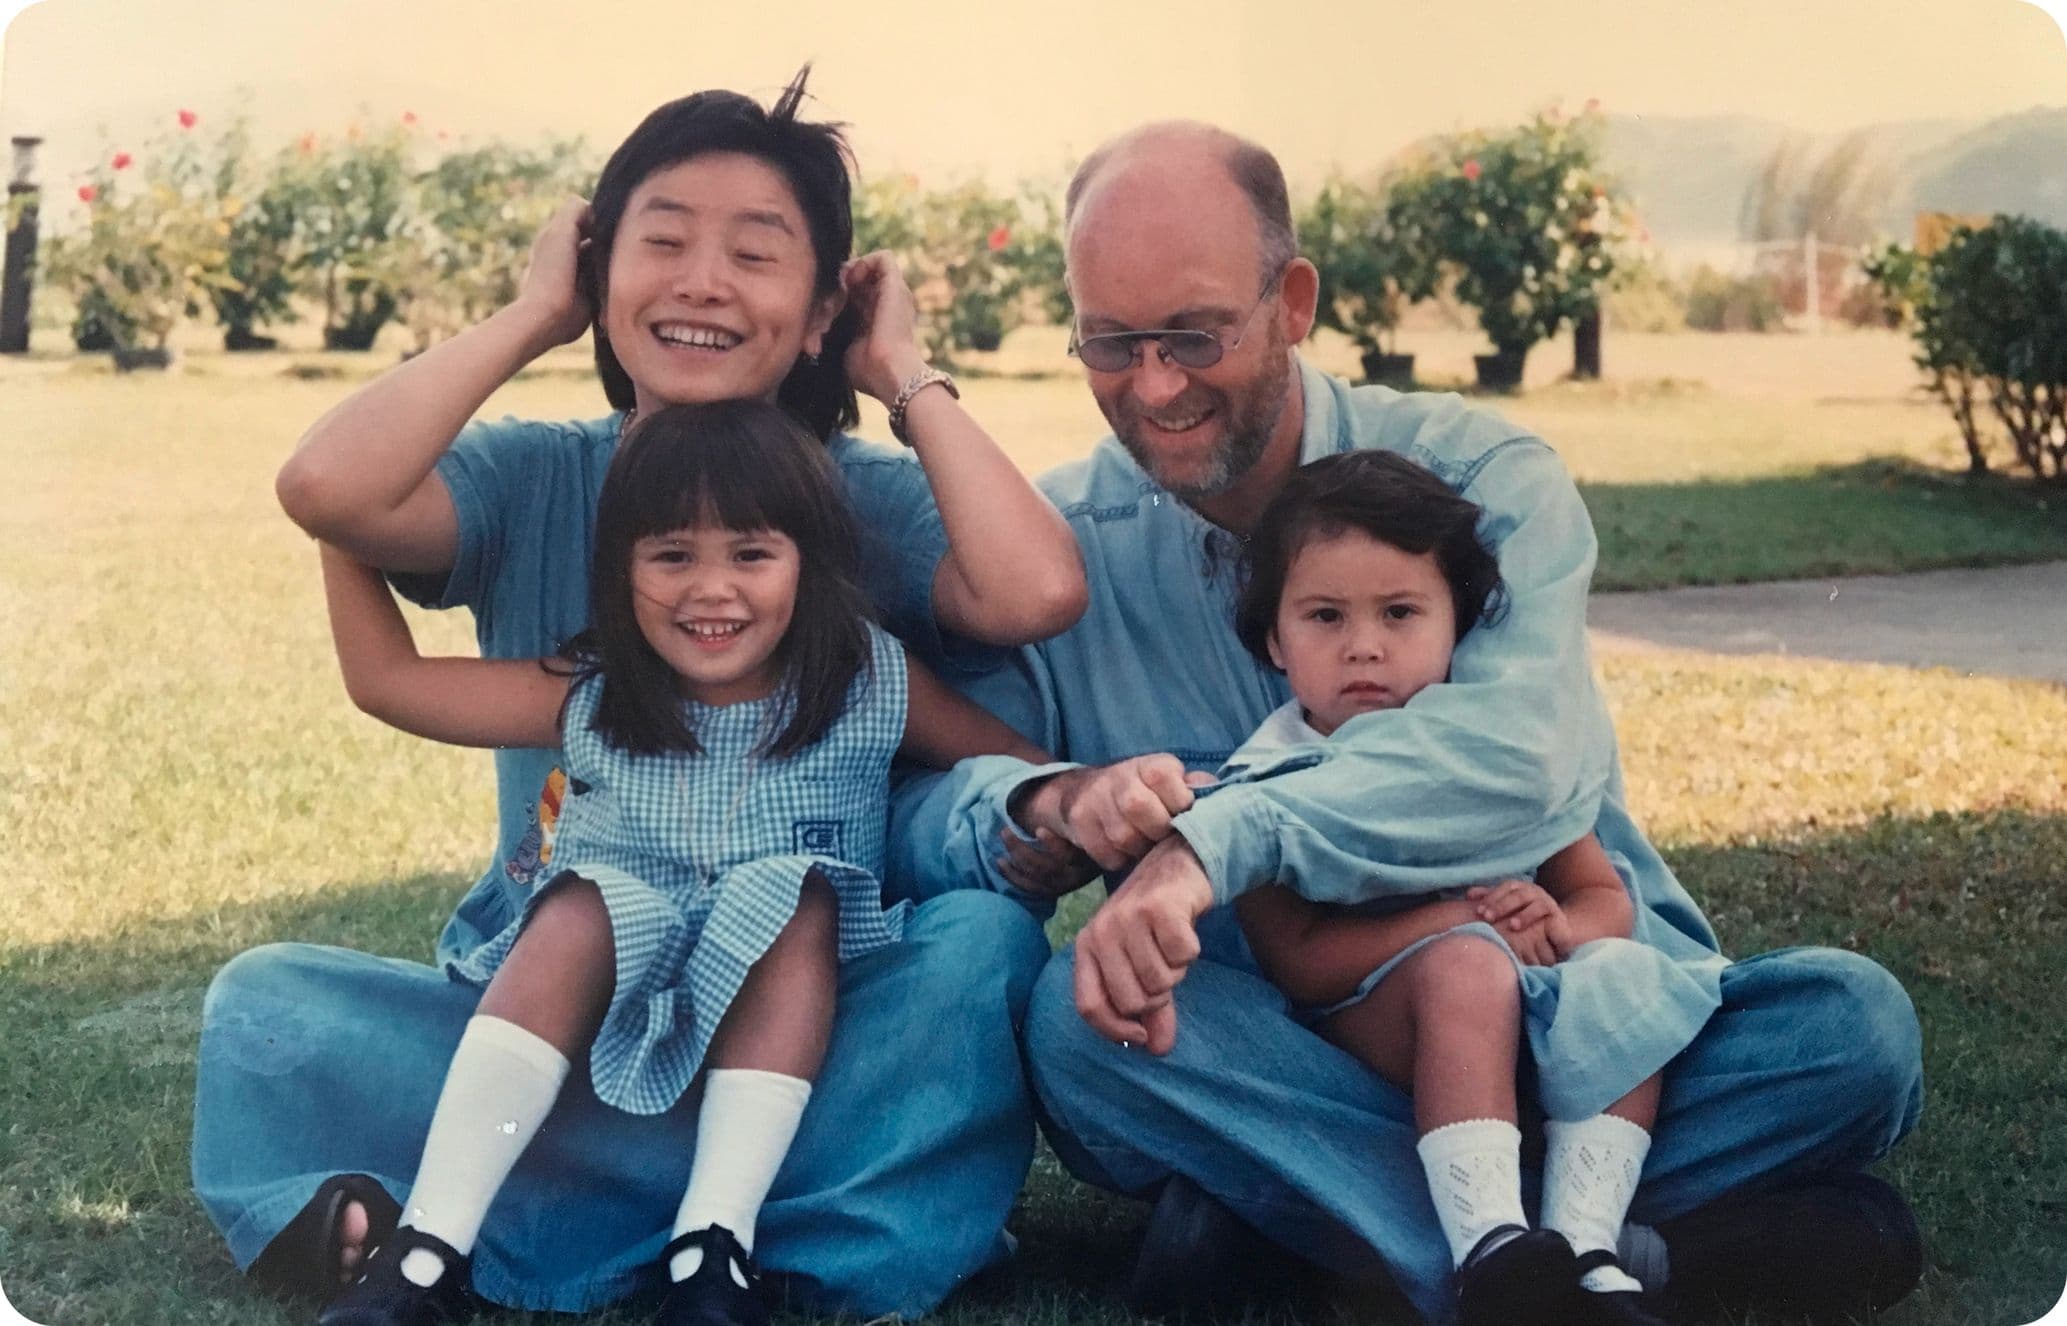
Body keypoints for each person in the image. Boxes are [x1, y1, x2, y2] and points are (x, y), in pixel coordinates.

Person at [890, 120, 1923, 1325]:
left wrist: (1209, 846)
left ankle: (1322, 1238)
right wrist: (1045, 801)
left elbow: (1518, 758)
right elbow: (929, 798)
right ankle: (1612, 1257)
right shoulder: (1058, 550)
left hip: (1582, 1029)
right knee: (1079, 1034)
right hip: (1294, 1044)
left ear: (1293, 301)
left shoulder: (1480, 478)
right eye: (1112, 342)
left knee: (1853, 1032)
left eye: (1196, 333)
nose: (1154, 383)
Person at [193, 71, 1085, 1318]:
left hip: (801, 1024)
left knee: (977, 948)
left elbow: (1038, 591)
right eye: (660, 243)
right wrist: (525, 316)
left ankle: (558, 1219)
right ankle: (730, 1224)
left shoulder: (855, 497)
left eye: (756, 254)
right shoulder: (539, 476)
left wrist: (910, 373)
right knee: (267, 1006)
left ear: (826, 304)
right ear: (598, 270)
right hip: (555, 1011)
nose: (702, 283)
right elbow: (330, 493)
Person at [312, 401, 1054, 1326]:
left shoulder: (869, 679)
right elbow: (390, 683)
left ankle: (712, 1252)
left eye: (750, 554)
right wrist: (336, 532)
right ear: (618, 570)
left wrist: (1107, 795)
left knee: (796, 897)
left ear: (809, 563)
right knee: (577, 906)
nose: (712, 589)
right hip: (602, 994)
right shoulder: (593, 693)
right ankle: (428, 1252)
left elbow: (1018, 766)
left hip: (792, 1015)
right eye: (671, 556)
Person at [1219, 448, 1717, 1326]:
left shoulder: (1490, 762)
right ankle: (1488, 1247)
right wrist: (1461, 926)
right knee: (1463, 968)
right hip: (1377, 1038)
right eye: (1324, 616)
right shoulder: (1266, 779)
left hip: (1537, 1037)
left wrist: (1554, 923)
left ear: (1457, 626)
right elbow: (1297, 963)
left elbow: (1603, 899)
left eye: (1401, 613)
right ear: (1272, 636)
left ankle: (1584, 1248)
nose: (1363, 645)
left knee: (1631, 978)